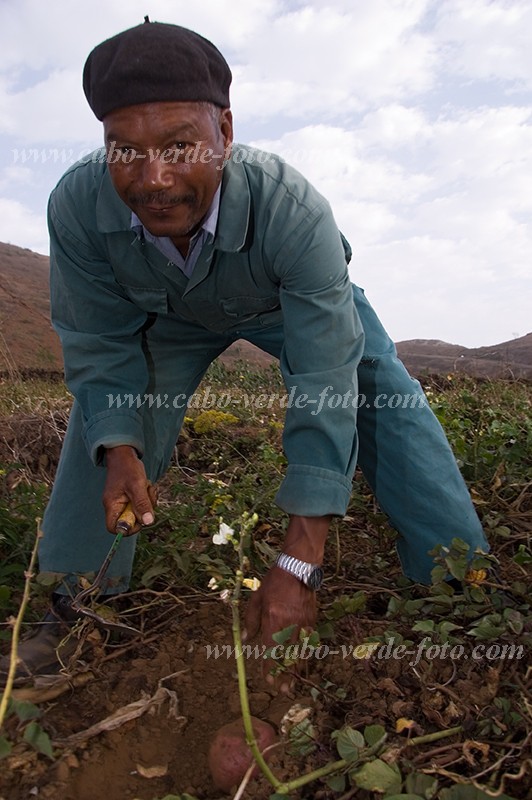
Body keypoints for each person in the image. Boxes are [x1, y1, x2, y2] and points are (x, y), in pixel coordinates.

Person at [1, 20, 488, 685]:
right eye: (125, 150)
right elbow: (99, 342)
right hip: (166, 316)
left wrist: (298, 561)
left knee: (376, 384)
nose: (153, 178)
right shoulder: (78, 207)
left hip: (282, 303)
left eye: (179, 145)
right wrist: (120, 449)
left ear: (224, 133)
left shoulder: (292, 209)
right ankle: (76, 599)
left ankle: (454, 573)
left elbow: (324, 375)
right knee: (107, 420)